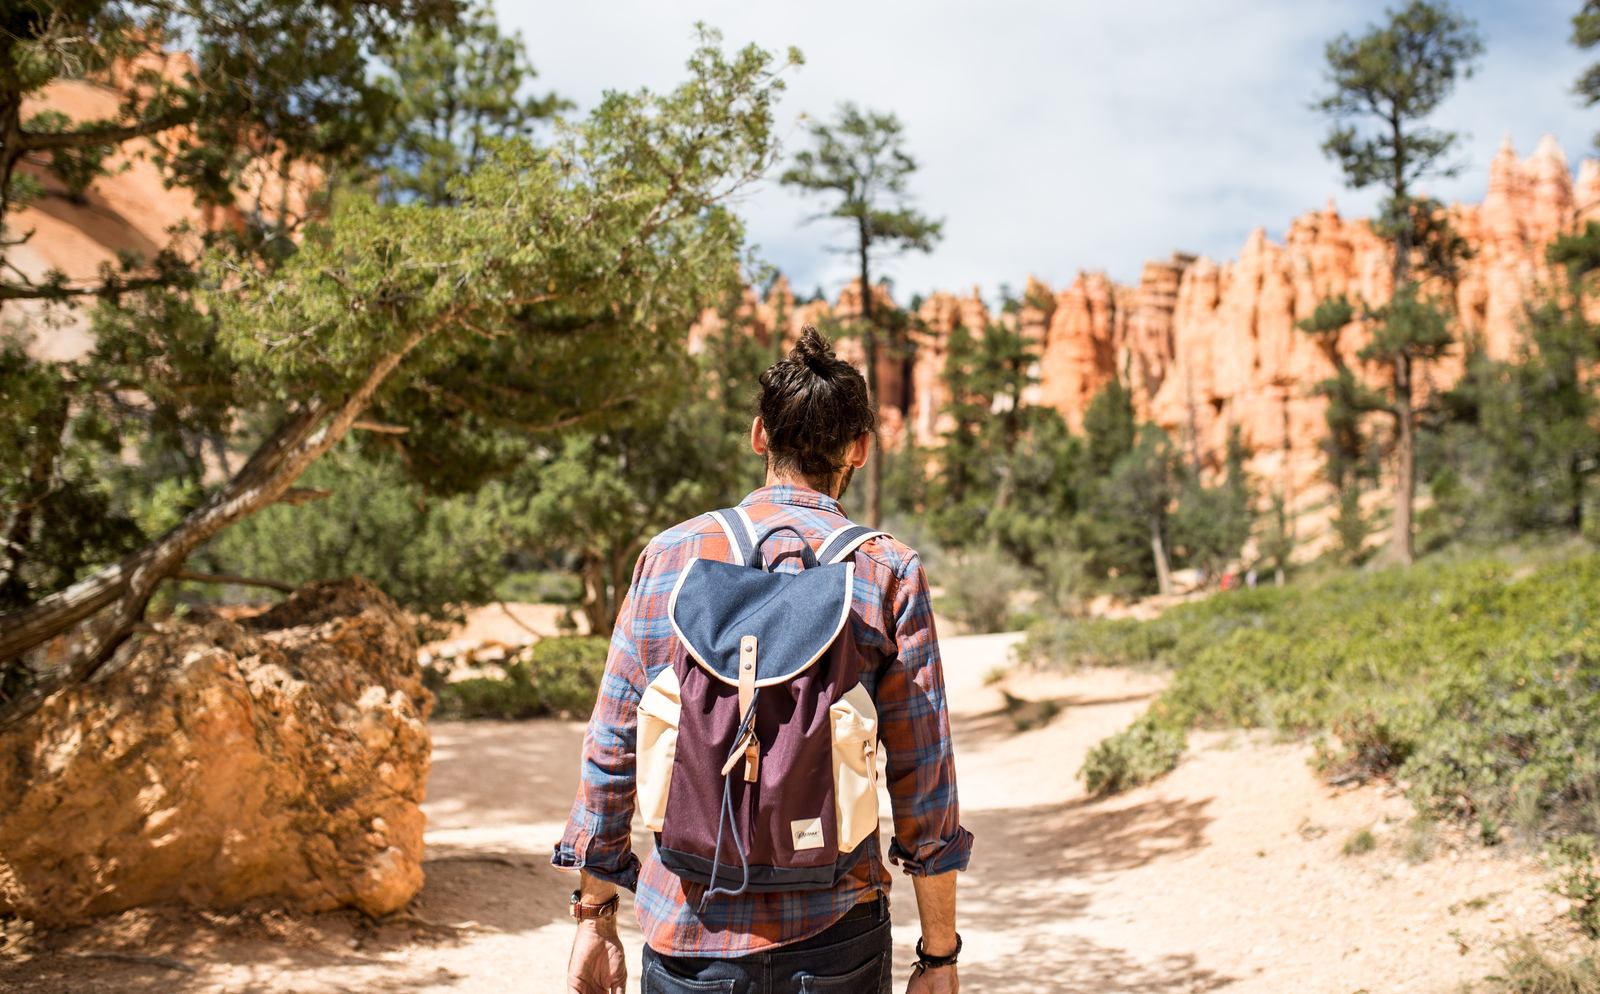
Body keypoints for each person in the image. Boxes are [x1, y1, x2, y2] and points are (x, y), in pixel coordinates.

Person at [554, 326, 973, 994]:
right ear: (859, 448)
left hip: (689, 928)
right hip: (836, 935)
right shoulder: (887, 570)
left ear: (759, 436)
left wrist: (594, 915)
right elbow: (925, 776)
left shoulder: (670, 556)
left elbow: (612, 746)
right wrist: (940, 955)